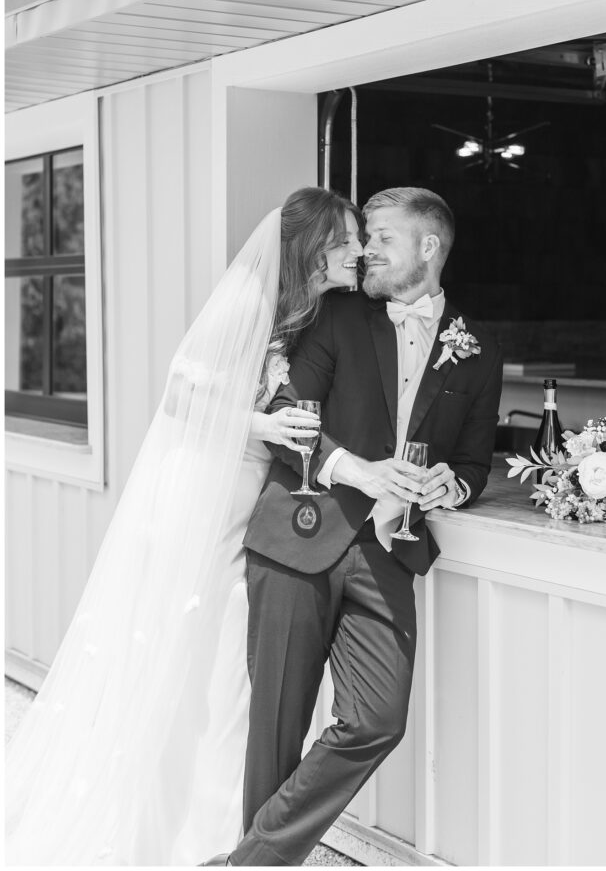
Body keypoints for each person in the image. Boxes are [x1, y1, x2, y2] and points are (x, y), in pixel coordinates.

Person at [5, 187, 364, 866]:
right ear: (313, 245)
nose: (358, 251)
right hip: (203, 489)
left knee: (221, 654)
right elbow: (178, 395)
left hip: (244, 495)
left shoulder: (309, 311)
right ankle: (160, 825)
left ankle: (211, 824)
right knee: (186, 642)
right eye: (346, 239)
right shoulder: (248, 299)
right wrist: (260, 424)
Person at [201, 186, 504, 868]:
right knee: (275, 732)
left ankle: (245, 862)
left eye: (382, 237)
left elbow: (474, 462)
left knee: (376, 720)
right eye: (361, 236)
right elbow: (289, 425)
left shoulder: (478, 350)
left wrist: (447, 484)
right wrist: (359, 471)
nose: (365, 249)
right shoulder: (335, 316)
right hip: (298, 535)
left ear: (428, 248)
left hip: (390, 552)